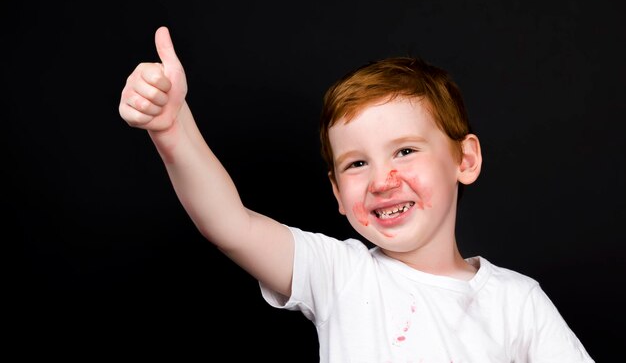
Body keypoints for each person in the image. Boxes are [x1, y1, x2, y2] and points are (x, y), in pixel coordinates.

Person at [119, 26, 594, 362]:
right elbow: (230, 224)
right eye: (357, 164)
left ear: (464, 160)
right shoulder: (340, 275)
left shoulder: (517, 302)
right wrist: (172, 128)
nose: (382, 180)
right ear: (338, 194)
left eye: (405, 151)